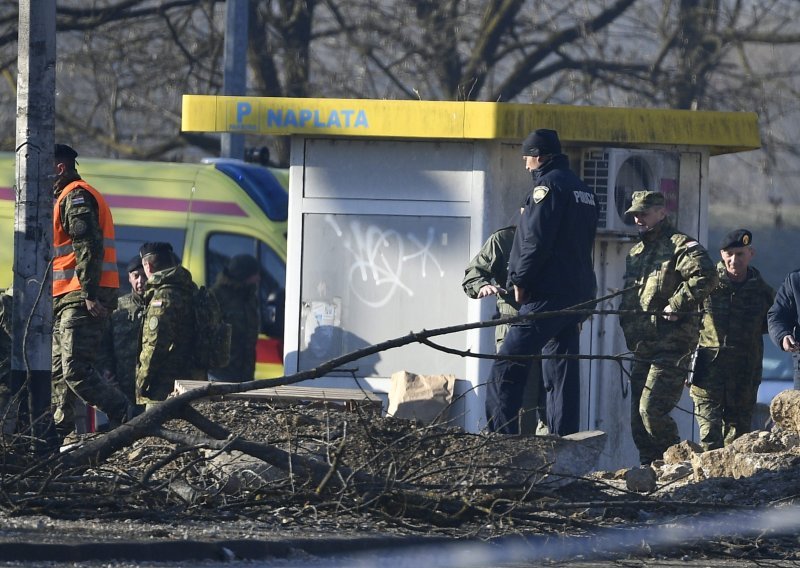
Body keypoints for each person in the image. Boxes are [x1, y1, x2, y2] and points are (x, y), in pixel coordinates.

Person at [484, 128, 598, 436]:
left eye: (527, 159)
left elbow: (534, 240)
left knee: (507, 365)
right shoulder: (584, 191)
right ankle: (565, 443)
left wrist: (520, 279)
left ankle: (498, 439)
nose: (525, 166)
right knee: (562, 371)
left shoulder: (546, 189)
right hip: (577, 294)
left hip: (545, 294)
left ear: (540, 157)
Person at [619, 190, 717, 465]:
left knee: (651, 410)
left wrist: (678, 303)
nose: (638, 219)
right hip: (643, 344)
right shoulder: (636, 252)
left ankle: (679, 464)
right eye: (635, 214)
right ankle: (650, 470)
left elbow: (707, 276)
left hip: (672, 345)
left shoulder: (680, 245)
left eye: (644, 213)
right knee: (638, 419)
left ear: (661, 213)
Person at [51, 144, 133, 441]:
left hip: (81, 295)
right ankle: (54, 438)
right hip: (67, 295)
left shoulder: (75, 195)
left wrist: (88, 292)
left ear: (60, 168)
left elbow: (88, 246)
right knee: (59, 373)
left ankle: (125, 413)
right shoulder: (65, 196)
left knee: (73, 369)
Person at [690, 229, 775, 450]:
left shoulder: (762, 291)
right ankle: (706, 483)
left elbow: (773, 324)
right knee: (709, 437)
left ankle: (730, 483)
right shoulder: (707, 285)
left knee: (738, 441)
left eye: (740, 254)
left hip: (744, 375)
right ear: (721, 255)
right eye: (729, 254)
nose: (734, 260)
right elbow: (687, 324)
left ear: (751, 254)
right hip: (709, 373)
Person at [462, 224, 547, 434]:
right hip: (514, 328)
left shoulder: (560, 237)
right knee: (518, 402)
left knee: (551, 403)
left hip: (551, 329)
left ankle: (550, 461)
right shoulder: (505, 239)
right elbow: (473, 273)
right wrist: (481, 285)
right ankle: (518, 458)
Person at [136, 242, 206, 405]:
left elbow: (154, 346)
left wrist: (141, 382)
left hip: (166, 386)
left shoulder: (163, 297)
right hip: (195, 379)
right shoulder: (190, 290)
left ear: (149, 266)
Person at [99, 255, 147, 412]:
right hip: (122, 389)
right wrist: (108, 374)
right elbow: (105, 346)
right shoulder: (119, 308)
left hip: (151, 389)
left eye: (144, 276)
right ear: (129, 278)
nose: (140, 281)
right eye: (136, 276)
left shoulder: (158, 306)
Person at [209, 254, 261, 382]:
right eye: (255, 274)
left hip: (245, 373)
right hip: (220, 373)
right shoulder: (216, 296)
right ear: (243, 274)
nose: (258, 278)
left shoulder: (249, 296)